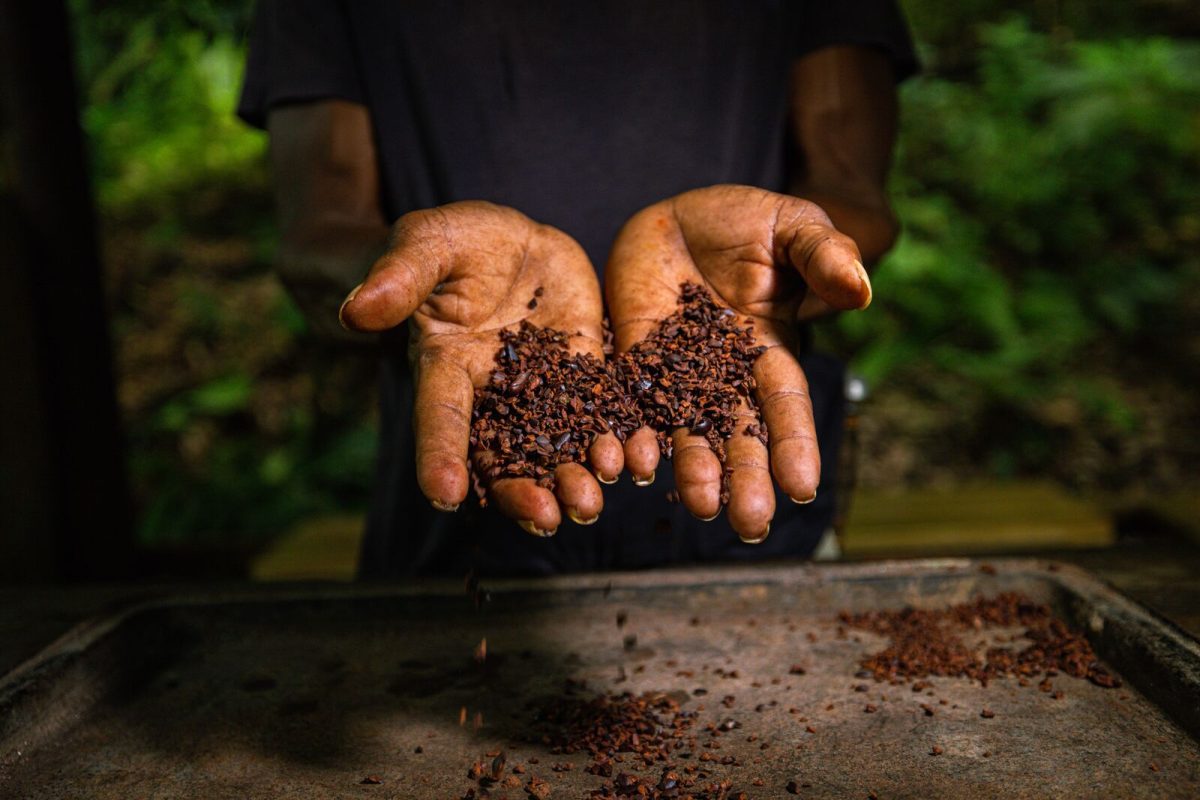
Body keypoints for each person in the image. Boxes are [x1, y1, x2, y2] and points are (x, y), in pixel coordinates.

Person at [238, 1, 917, 577]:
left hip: (754, 507)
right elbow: (316, 232)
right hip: (463, 525)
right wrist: (407, 269)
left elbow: (851, 190)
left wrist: (788, 253)